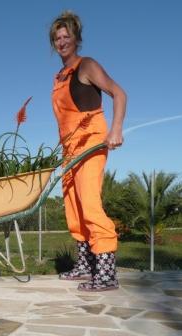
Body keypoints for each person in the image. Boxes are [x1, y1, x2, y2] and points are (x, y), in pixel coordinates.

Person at [49, 11, 127, 291]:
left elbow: (119, 93)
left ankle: (106, 272)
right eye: (57, 38)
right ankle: (85, 265)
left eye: (66, 36)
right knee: (73, 208)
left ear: (76, 39)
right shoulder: (59, 76)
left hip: (92, 144)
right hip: (69, 150)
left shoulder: (87, 65)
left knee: (90, 204)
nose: (62, 42)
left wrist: (115, 129)